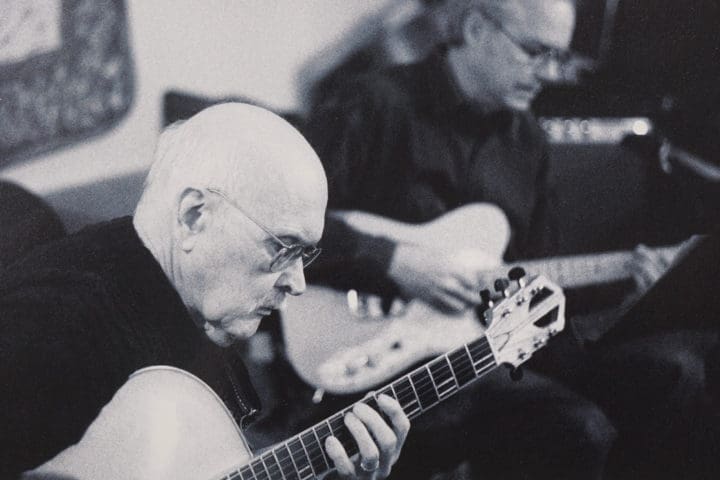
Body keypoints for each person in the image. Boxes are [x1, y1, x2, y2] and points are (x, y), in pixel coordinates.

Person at [289, 1, 620, 479]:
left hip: (467, 358)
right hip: (356, 364)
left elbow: (533, 275)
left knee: (594, 420)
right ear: (477, 28)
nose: (549, 73)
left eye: (559, 58)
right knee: (574, 427)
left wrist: (627, 281)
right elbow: (284, 228)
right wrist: (392, 260)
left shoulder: (528, 143)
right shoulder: (373, 102)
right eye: (535, 52)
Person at [0, 103, 410, 479]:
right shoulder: (52, 329)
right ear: (193, 215)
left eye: (305, 255)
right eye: (284, 248)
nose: (297, 283)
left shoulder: (191, 313)